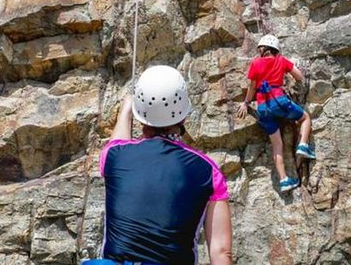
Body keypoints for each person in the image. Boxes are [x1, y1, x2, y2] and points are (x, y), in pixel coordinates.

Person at [86, 65, 233, 265]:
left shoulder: (115, 156)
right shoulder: (208, 171)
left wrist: (126, 110)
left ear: (140, 114)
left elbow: (117, 142)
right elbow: (221, 252)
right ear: (184, 114)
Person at [236, 34, 314, 192]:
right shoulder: (281, 60)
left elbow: (252, 87)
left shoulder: (255, 63)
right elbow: (299, 77)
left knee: (277, 146)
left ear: (263, 49)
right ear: (275, 49)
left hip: (262, 108)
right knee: (305, 118)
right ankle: (303, 145)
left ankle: (284, 180)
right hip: (278, 102)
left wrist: (246, 103)